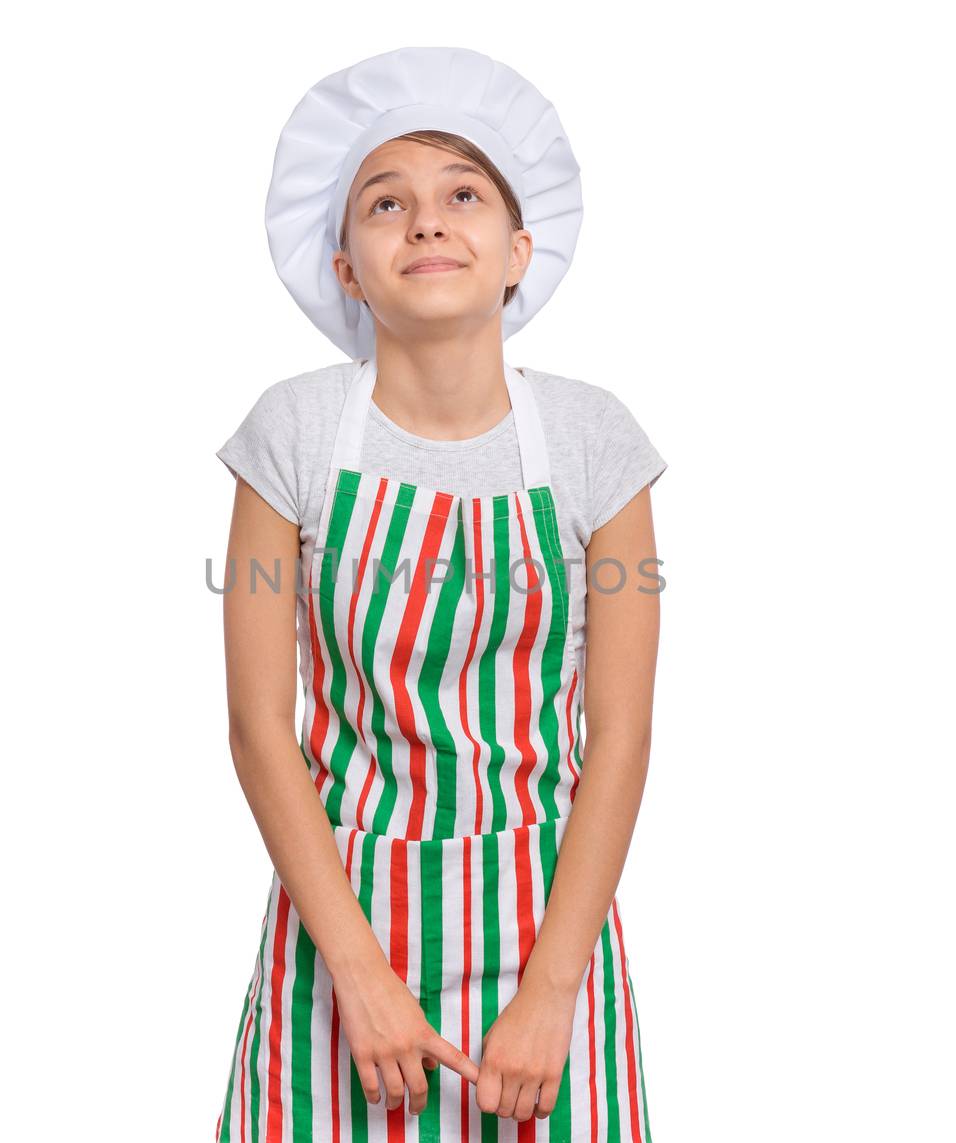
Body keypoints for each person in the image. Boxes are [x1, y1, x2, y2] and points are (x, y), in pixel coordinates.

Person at [213, 46, 665, 1140]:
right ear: (346, 266)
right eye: (386, 202)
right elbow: (257, 729)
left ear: (517, 253)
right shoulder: (295, 434)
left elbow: (620, 736)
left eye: (462, 195)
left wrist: (554, 993)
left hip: (548, 942)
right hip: (337, 947)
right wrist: (361, 981)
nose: (425, 222)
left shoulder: (597, 442)